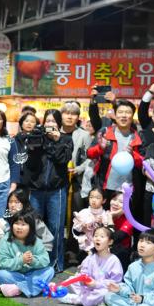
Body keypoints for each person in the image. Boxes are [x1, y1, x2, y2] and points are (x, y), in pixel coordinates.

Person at [24, 109, 73, 271]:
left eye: (53, 121)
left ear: (59, 124)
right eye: (48, 121)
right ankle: (35, 261)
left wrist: (57, 141)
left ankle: (55, 262)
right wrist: (35, 141)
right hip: (36, 189)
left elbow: (62, 160)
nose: (50, 124)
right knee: (35, 226)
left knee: (55, 227)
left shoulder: (66, 139)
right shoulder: (38, 137)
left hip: (56, 190)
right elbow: (31, 163)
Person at [86, 99, 143, 201]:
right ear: (115, 115)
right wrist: (100, 148)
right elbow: (89, 154)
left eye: (128, 112)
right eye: (120, 112)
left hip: (127, 189)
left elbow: (143, 163)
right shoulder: (105, 132)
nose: (124, 115)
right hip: (105, 187)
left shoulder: (138, 137)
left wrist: (133, 155)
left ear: (132, 116)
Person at [61, 102, 93, 266]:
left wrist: (78, 169)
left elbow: (90, 158)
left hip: (77, 183)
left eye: (73, 114)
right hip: (57, 182)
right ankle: (59, 250)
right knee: (59, 217)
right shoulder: (55, 132)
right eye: (66, 113)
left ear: (78, 117)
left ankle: (74, 250)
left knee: (77, 218)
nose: (69, 116)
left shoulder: (84, 135)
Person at [59, 226, 123, 306]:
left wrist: (96, 284)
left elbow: (115, 282)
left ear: (110, 242)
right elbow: (83, 273)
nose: (98, 238)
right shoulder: (91, 257)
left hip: (101, 289)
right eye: (95, 236)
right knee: (71, 280)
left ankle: (78, 299)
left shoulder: (114, 260)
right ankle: (87, 298)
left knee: (105, 294)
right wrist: (84, 280)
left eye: (102, 236)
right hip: (88, 287)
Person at [0, 211, 53, 297]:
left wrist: (33, 260)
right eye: (16, 224)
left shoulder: (36, 241)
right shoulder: (5, 240)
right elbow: (2, 263)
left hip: (32, 273)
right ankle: (37, 287)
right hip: (14, 274)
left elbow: (45, 260)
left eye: (23, 224)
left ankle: (19, 288)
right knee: (0, 274)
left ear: (30, 227)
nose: (19, 227)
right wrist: (21, 260)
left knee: (50, 270)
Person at [72, 187, 111, 253]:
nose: (93, 200)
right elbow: (75, 231)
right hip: (84, 246)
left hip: (100, 248)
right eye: (91, 197)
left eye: (97, 198)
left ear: (104, 200)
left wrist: (101, 224)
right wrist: (82, 226)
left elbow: (108, 233)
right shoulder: (83, 212)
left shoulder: (106, 214)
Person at [108, 192, 135, 269]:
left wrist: (110, 218)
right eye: (114, 199)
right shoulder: (104, 213)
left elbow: (114, 238)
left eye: (121, 202)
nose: (115, 203)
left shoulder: (130, 220)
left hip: (120, 257)